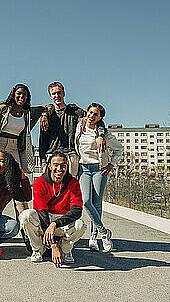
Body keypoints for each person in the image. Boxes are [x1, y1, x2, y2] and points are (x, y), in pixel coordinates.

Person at [0, 83, 47, 214]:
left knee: (18, 180)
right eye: (19, 93)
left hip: (14, 146)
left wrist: (44, 114)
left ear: (28, 97)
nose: (21, 96)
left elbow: (47, 107)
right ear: (13, 94)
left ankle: (24, 221)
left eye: (24, 94)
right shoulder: (3, 108)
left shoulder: (27, 113)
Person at [19, 152, 86, 266]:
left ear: (67, 166)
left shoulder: (73, 182)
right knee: (26, 216)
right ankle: (38, 249)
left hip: (61, 220)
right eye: (56, 165)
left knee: (80, 225)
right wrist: (53, 245)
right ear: (49, 166)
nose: (59, 169)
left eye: (63, 166)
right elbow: (41, 212)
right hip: (45, 219)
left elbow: (77, 210)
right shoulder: (40, 182)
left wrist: (55, 224)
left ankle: (65, 249)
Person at [74, 103, 123, 252]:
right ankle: (104, 232)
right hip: (83, 168)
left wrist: (112, 164)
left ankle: (93, 238)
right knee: (86, 201)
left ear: (100, 117)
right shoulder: (80, 126)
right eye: (90, 113)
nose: (91, 116)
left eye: (95, 114)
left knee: (96, 203)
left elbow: (119, 149)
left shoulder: (105, 134)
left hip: (98, 169)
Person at [38, 81, 107, 177]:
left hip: (71, 155)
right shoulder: (47, 116)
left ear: (64, 93)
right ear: (50, 96)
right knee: (53, 188)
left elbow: (97, 119)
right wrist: (43, 161)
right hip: (52, 155)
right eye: (54, 94)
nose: (57, 96)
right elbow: (43, 140)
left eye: (59, 93)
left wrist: (101, 135)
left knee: (70, 188)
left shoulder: (75, 112)